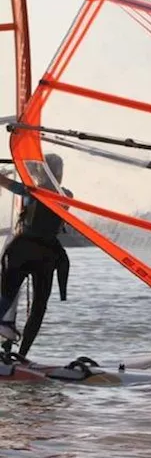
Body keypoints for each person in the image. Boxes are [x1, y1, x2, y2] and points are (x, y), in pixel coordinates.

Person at [0, 154, 72, 361]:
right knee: (38, 307)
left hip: (23, 251)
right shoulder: (64, 194)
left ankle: (16, 354)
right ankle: (21, 354)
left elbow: (5, 183)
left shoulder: (30, 190)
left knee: (7, 298)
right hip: (45, 254)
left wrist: (18, 173)